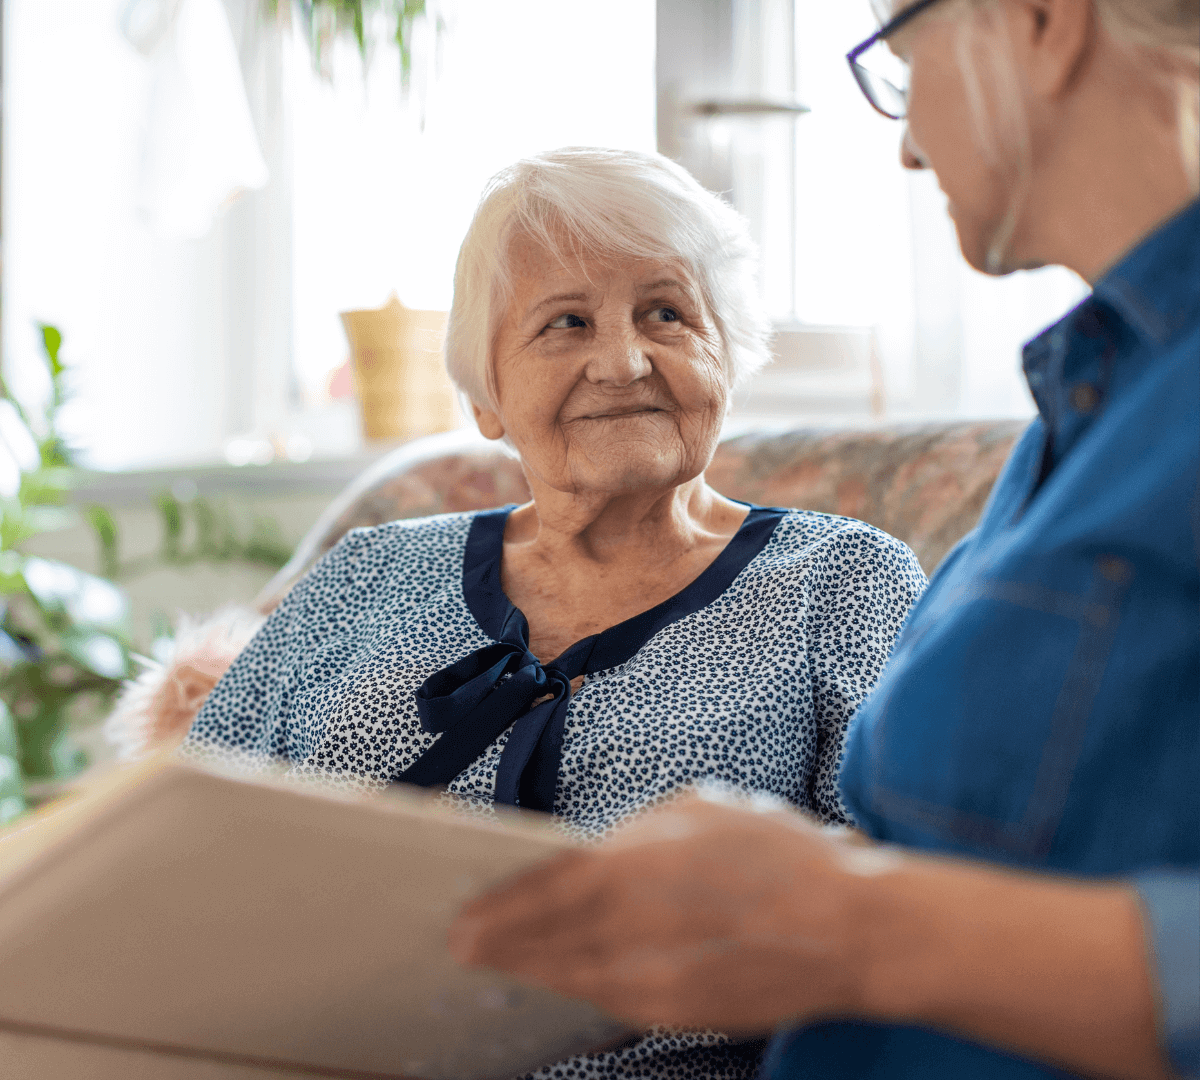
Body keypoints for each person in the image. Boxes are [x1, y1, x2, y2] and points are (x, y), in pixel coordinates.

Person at [448, 3, 1200, 1080]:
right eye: (562, 323)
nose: (904, 141)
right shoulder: (1083, 412)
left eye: (902, 65)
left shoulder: (839, 570)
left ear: (1039, 22)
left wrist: (853, 925)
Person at [183, 147, 927, 1079]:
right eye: (565, 323)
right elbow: (187, 842)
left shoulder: (842, 581)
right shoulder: (369, 572)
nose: (621, 361)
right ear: (485, 397)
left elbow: (917, 913)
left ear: (727, 356)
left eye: (666, 313)